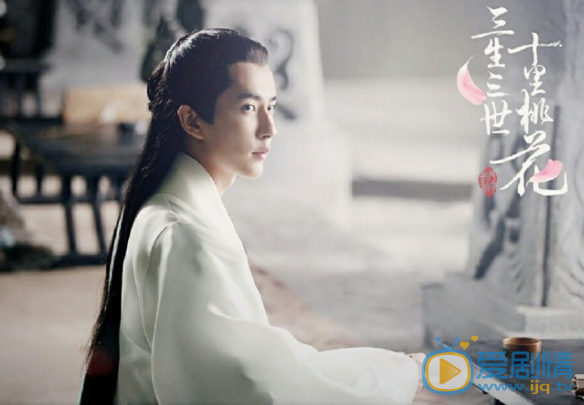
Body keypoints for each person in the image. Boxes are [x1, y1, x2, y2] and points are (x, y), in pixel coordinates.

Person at [77, 28, 426, 405]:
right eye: (248, 108)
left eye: (270, 106)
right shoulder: (186, 234)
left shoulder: (168, 206)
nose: (269, 129)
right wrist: (394, 373)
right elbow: (243, 386)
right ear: (192, 121)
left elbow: (247, 363)